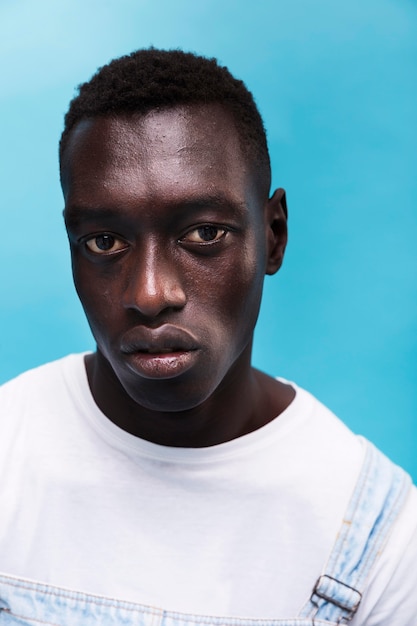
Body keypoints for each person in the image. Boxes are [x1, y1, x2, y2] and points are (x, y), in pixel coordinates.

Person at [0, 48, 416, 626]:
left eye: (203, 232)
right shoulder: (7, 452)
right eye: (103, 242)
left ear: (273, 237)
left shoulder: (380, 539)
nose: (149, 294)